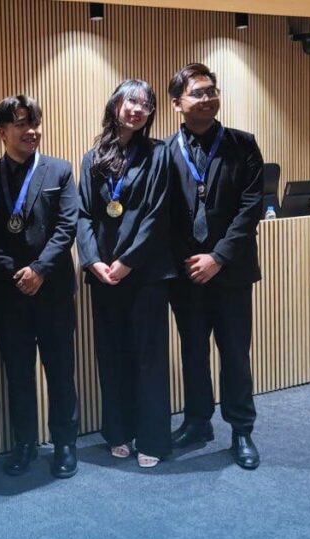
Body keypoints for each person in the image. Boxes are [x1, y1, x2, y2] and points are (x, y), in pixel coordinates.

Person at [164, 63, 264, 470]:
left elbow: (250, 207)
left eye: (212, 91)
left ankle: (241, 430)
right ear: (177, 103)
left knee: (236, 354)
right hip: (185, 274)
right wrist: (190, 260)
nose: (207, 99)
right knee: (193, 353)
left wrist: (218, 257)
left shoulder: (243, 144)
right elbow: (160, 215)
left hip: (232, 272)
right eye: (197, 93)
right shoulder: (164, 152)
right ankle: (197, 422)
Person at [76, 79, 177, 469]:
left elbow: (158, 214)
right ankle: (118, 432)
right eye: (131, 101)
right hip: (104, 274)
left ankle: (152, 438)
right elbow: (83, 215)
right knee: (112, 354)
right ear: (115, 105)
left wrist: (129, 260)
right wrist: (92, 260)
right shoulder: (92, 158)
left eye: (145, 105)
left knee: (148, 358)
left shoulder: (159, 154)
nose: (137, 109)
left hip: (146, 272)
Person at [0, 95, 80, 479]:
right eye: (22, 124)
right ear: (3, 131)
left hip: (53, 290)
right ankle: (24, 444)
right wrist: (16, 273)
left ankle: (65, 444)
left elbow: (67, 227)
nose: (31, 131)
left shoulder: (59, 170)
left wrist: (38, 269)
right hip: (9, 295)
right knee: (18, 375)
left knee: (60, 372)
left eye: (35, 123)